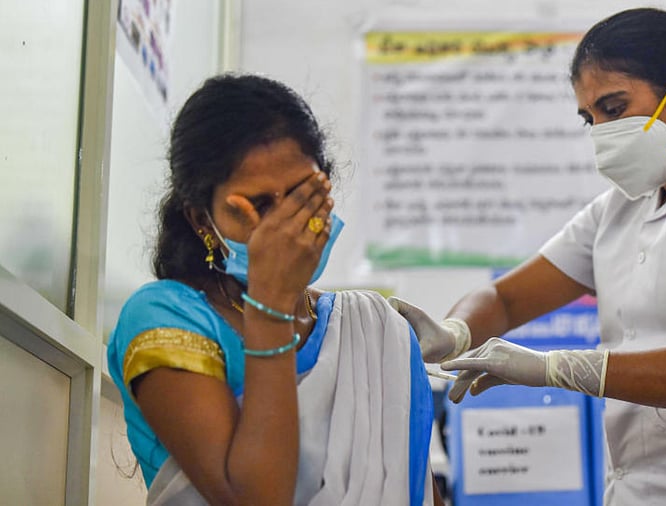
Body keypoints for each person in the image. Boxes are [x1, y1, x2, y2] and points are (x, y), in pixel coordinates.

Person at [389, 8, 666, 505]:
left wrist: (555, 368)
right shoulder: (619, 209)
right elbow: (503, 298)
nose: (601, 131)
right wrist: (455, 331)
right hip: (643, 490)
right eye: (590, 118)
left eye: (614, 107)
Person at [107, 74, 439, 505]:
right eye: (260, 205)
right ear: (201, 221)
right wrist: (270, 306)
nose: (289, 225)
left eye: (303, 196)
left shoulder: (375, 332)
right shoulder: (164, 317)